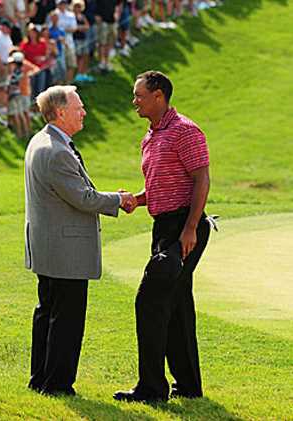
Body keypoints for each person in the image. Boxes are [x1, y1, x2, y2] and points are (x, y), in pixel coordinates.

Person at [25, 85, 130, 396]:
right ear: (60, 112)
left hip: (49, 247)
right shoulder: (55, 151)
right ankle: (56, 384)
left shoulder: (42, 141)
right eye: (78, 107)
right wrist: (120, 200)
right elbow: (82, 198)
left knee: (48, 313)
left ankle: (41, 378)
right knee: (66, 321)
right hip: (64, 251)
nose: (84, 112)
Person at [114, 71, 211, 403]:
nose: (134, 101)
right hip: (164, 228)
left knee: (150, 301)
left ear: (158, 96)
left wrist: (189, 228)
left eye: (139, 95)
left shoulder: (185, 130)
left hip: (185, 228)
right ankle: (188, 386)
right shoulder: (150, 136)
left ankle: (151, 388)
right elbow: (160, 185)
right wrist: (137, 200)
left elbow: (201, 180)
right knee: (178, 303)